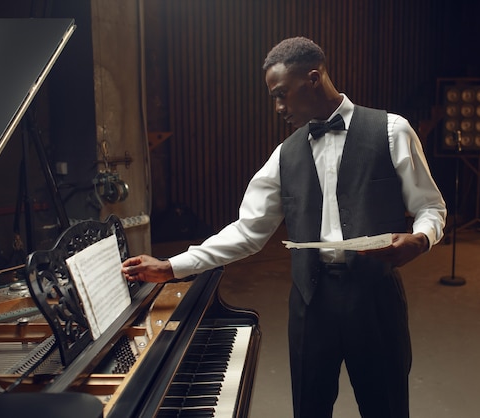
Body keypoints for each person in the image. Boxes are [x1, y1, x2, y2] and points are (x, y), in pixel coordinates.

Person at [122, 36, 446, 418]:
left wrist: (421, 240)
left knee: (386, 408)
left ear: (314, 77)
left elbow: (430, 206)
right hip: (311, 306)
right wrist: (172, 267)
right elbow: (247, 231)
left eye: (281, 95)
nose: (277, 107)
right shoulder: (285, 155)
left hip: (376, 302)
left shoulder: (392, 131)